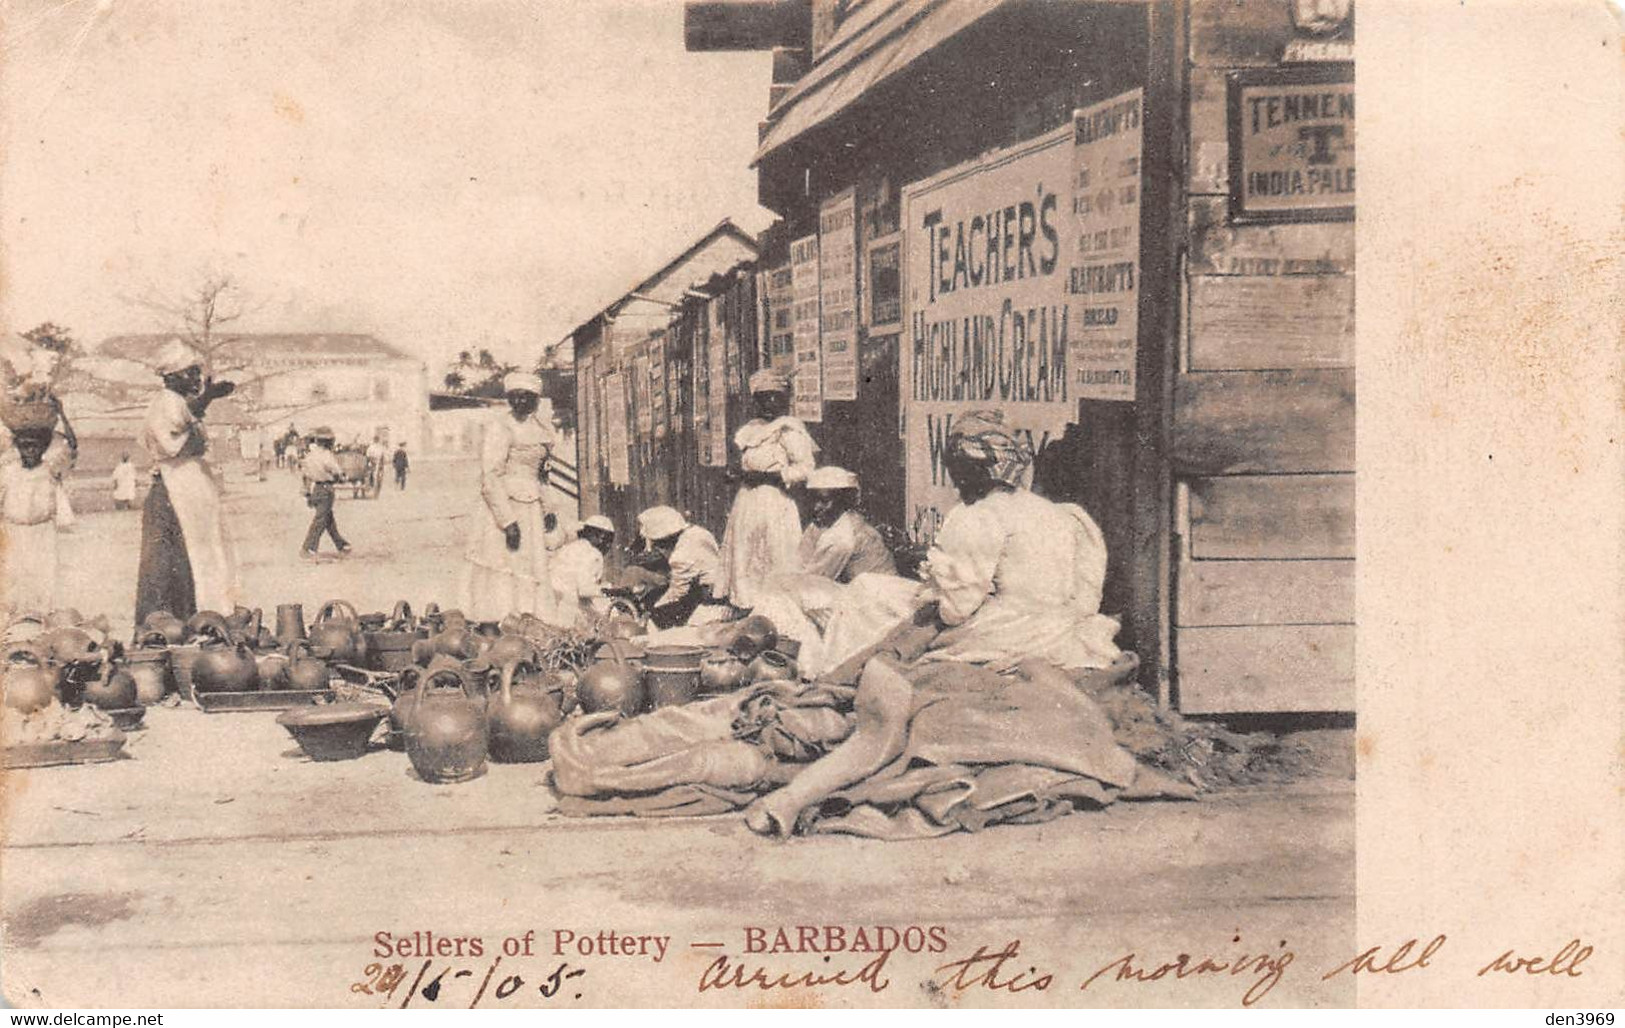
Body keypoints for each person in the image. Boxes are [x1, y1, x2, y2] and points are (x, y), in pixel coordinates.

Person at [915, 410, 1121, 672]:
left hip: (1010, 634)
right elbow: (1085, 600)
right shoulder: (1066, 515)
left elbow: (956, 609)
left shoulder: (979, 514)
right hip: (1062, 634)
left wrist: (936, 590)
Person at [135, 338, 238, 624]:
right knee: (175, 558)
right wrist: (206, 398)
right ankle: (174, 621)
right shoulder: (165, 403)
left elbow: (188, 419)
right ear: (171, 375)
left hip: (191, 484)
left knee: (201, 552)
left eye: (196, 372)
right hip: (174, 488)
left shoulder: (179, 402)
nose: (195, 378)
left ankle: (204, 614)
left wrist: (204, 401)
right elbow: (177, 430)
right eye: (190, 372)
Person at [719, 368, 817, 610]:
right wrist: (736, 473)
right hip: (748, 501)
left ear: (784, 400)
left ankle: (775, 609)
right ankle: (747, 606)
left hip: (775, 500)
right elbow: (744, 464)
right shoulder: (751, 430)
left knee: (775, 552)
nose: (769, 404)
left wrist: (770, 476)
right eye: (763, 398)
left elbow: (806, 468)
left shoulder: (788, 429)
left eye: (775, 397)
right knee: (746, 552)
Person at [463, 373, 557, 622]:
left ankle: (530, 619)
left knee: (531, 566)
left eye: (527, 397)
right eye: (515, 397)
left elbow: (541, 476)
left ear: (536, 400)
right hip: (506, 507)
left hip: (531, 507)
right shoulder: (501, 427)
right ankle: (501, 621)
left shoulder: (542, 429)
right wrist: (507, 521)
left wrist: (548, 509)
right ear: (508, 399)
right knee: (505, 564)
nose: (521, 402)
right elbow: (490, 477)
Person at [0, 421, 76, 622]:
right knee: (13, 577)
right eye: (25, 446)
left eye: (35, 446)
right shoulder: (7, 471)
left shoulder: (50, 470)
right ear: (18, 448)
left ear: (43, 448)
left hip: (43, 530)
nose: (30, 450)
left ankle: (41, 620)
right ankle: (13, 623)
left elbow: (73, 447)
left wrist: (62, 416)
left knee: (44, 576)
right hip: (13, 530)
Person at [633, 505, 728, 630]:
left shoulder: (681, 555)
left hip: (710, 601)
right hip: (720, 590)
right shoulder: (699, 533)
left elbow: (676, 593)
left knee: (656, 622)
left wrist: (653, 612)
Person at [796, 466, 896, 582]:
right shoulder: (820, 525)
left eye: (824, 501)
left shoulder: (844, 535)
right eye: (812, 500)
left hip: (875, 592)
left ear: (842, 501)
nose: (816, 507)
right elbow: (800, 561)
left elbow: (814, 581)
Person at [549, 514, 615, 629]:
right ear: (600, 536)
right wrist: (609, 590)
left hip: (553, 603)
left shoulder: (568, 548)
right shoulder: (593, 553)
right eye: (608, 541)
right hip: (569, 610)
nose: (608, 547)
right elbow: (584, 590)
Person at [299, 427, 351, 560]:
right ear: (328, 441)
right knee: (321, 520)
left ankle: (342, 545)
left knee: (328, 519)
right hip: (326, 489)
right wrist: (343, 478)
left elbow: (305, 475)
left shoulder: (309, 455)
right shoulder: (327, 455)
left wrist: (306, 493)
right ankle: (308, 548)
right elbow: (337, 471)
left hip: (315, 488)